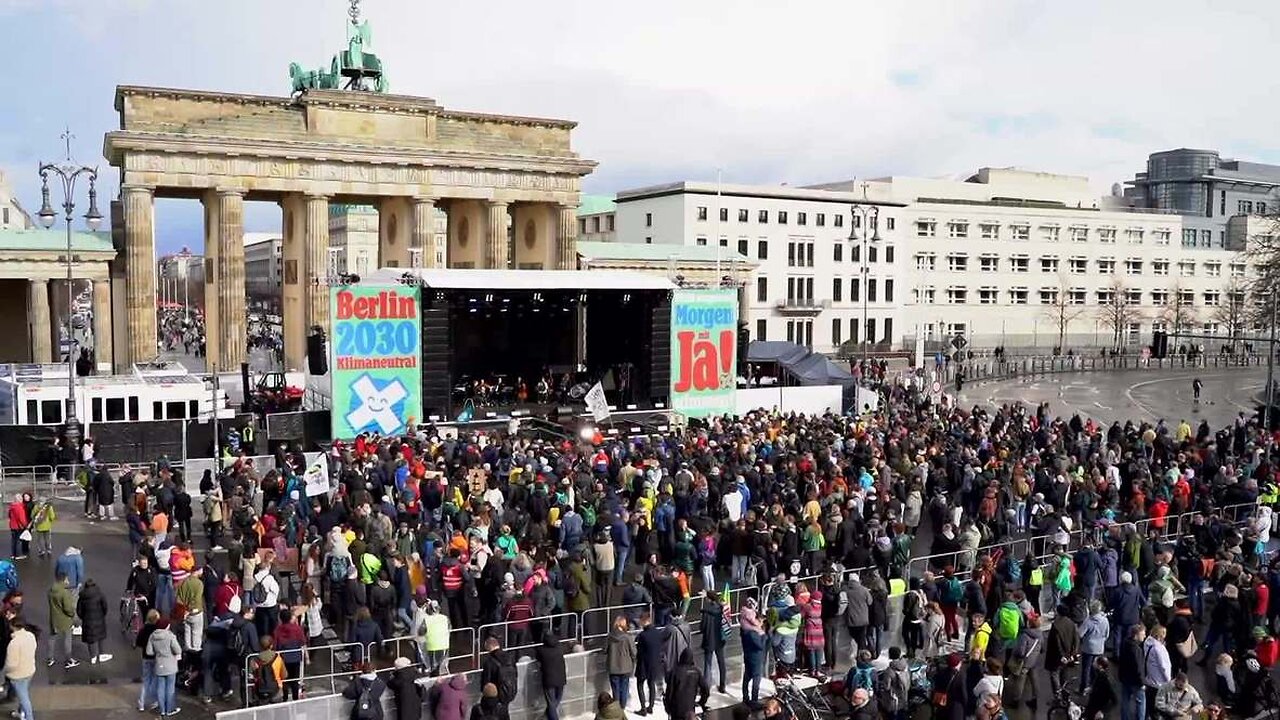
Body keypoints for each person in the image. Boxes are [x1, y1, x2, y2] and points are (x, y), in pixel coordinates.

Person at [147, 616, 183, 717]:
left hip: (159, 665)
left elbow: (149, 652)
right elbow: (178, 650)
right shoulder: (170, 636)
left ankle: (162, 710)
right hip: (170, 666)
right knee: (170, 689)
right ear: (167, 626)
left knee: (160, 688)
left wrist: (158, 653)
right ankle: (170, 709)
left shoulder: (152, 636)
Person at [635, 612, 666, 715]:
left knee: (640, 685)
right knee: (651, 684)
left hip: (643, 664)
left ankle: (643, 708)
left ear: (644, 621)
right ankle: (651, 706)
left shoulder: (642, 635)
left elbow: (639, 651)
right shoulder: (657, 632)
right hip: (654, 663)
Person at [663, 649, 708, 720]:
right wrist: (702, 702)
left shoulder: (674, 672)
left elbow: (669, 692)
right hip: (690, 709)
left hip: (676, 709)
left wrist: (668, 708)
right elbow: (705, 689)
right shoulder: (696, 671)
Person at [4, 618, 35, 720]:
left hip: (18, 675)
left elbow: (11, 664)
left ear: (12, 627)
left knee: (24, 699)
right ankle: (21, 713)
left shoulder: (14, 643)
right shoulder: (30, 636)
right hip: (29, 670)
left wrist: (5, 671)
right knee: (24, 693)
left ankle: (29, 717)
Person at [46, 572, 78, 669]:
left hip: (54, 618)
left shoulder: (51, 591)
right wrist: (73, 614)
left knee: (52, 638)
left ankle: (50, 658)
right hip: (65, 620)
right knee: (67, 639)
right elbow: (68, 608)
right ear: (63, 580)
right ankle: (68, 659)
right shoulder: (64, 593)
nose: (68, 581)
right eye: (67, 579)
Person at [75, 578, 111, 664]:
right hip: (99, 619)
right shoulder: (100, 594)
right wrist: (102, 615)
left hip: (87, 621)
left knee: (90, 640)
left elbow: (79, 611)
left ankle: (92, 657)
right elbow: (105, 607)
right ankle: (101, 654)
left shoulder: (82, 597)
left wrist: (83, 617)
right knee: (100, 637)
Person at [699, 589, 727, 692]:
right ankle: (723, 685)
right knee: (721, 663)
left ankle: (706, 687)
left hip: (709, 639)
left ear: (709, 599)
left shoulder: (706, 611)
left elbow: (702, 627)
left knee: (708, 664)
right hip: (720, 639)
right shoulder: (722, 609)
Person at [606, 615, 636, 710]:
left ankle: (616, 708)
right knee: (624, 688)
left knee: (615, 689)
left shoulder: (610, 636)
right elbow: (634, 652)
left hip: (613, 668)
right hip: (626, 668)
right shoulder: (628, 637)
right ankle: (622, 707)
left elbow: (604, 650)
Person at [534, 632, 567, 720]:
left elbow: (537, 659)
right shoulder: (560, 647)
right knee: (556, 701)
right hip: (561, 679)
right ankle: (548, 715)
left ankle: (551, 717)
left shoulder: (541, 650)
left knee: (551, 703)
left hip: (549, 680)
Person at [1118, 625, 1147, 720]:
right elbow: (1138, 668)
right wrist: (1142, 682)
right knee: (1140, 702)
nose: (1145, 636)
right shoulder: (1136, 650)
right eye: (1143, 634)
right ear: (1136, 635)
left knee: (1125, 702)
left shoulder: (1125, 644)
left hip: (1125, 679)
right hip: (1136, 682)